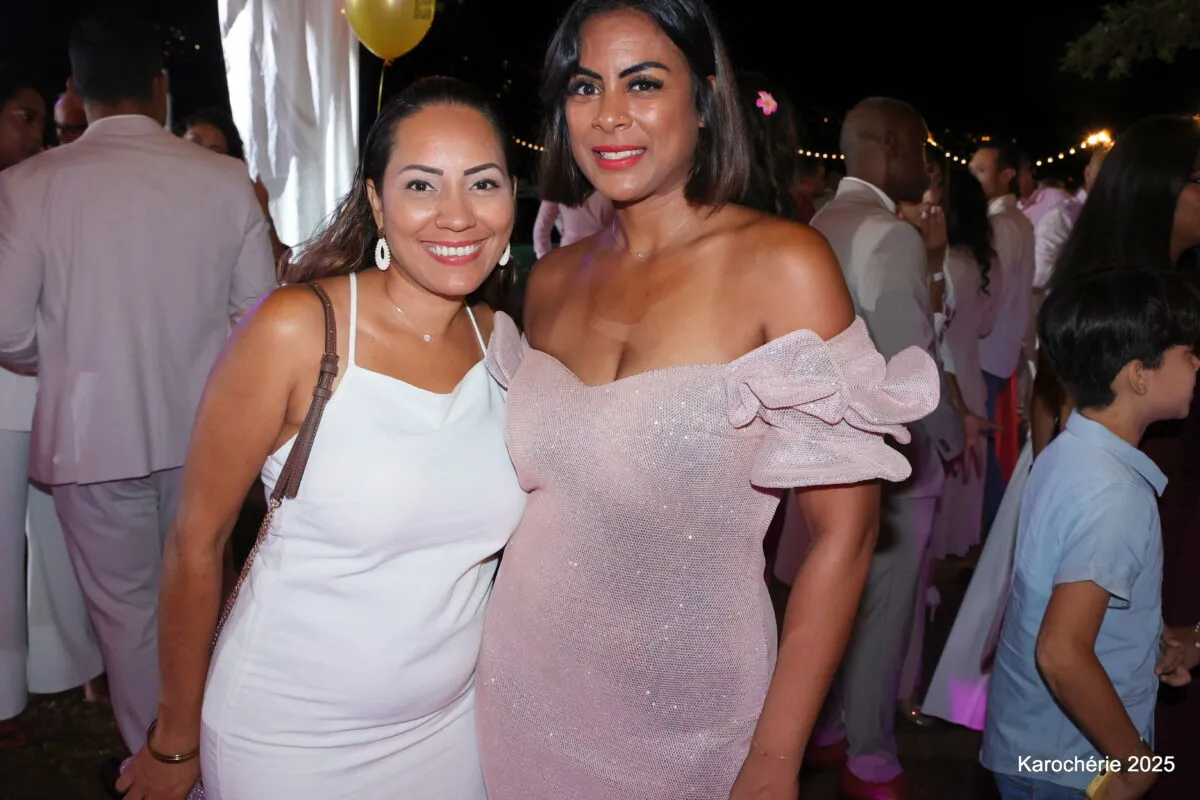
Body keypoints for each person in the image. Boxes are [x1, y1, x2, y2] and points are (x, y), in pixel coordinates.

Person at [474, 2, 942, 798]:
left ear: (704, 100)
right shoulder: (549, 282)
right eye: (585, 86)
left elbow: (846, 535)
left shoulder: (783, 266)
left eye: (643, 82)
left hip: (693, 721)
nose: (610, 114)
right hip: (521, 689)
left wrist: (776, 756)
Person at [117, 76, 527, 800]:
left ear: (513, 196)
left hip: (454, 729)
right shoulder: (297, 330)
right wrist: (175, 740)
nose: (457, 215)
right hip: (291, 740)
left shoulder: (500, 341)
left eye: (482, 183)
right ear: (377, 202)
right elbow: (195, 542)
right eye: (422, 185)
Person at [0, 11, 277, 755]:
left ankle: (160, 767)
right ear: (160, 84)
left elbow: (7, 331)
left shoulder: (28, 185)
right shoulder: (223, 180)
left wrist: (70, 359)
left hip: (90, 439)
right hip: (205, 434)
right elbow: (257, 314)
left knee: (128, 625)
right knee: (203, 602)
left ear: (78, 88)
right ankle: (212, 759)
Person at [982, 267, 1200, 800]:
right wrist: (1136, 763)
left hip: (1030, 742)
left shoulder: (1068, 453)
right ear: (1139, 375)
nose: (1197, 363)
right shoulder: (1116, 494)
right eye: (1187, 353)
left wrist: (1150, 639)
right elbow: (1061, 651)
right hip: (1070, 764)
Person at [807, 98, 963, 800]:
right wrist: (952, 437)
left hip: (822, 446)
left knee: (836, 597)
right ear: (893, 146)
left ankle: (827, 726)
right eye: (923, 150)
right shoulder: (888, 233)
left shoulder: (818, 223)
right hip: (891, 453)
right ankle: (870, 758)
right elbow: (912, 365)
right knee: (885, 609)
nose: (928, 167)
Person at [0, 63, 106, 749]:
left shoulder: (39, 188)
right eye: (27, 117)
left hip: (43, 388)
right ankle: (8, 695)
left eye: (43, 120)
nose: (39, 133)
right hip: (18, 383)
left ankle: (66, 669)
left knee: (59, 541)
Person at [179, 107, 288, 269]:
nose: (201, 155)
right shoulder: (160, 191)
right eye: (194, 144)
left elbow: (276, 269)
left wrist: (262, 213)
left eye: (214, 151)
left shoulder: (238, 205)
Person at [531, 192, 612, 258]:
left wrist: (544, 261)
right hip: (604, 255)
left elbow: (541, 229)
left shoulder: (559, 186)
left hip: (569, 257)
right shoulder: (610, 186)